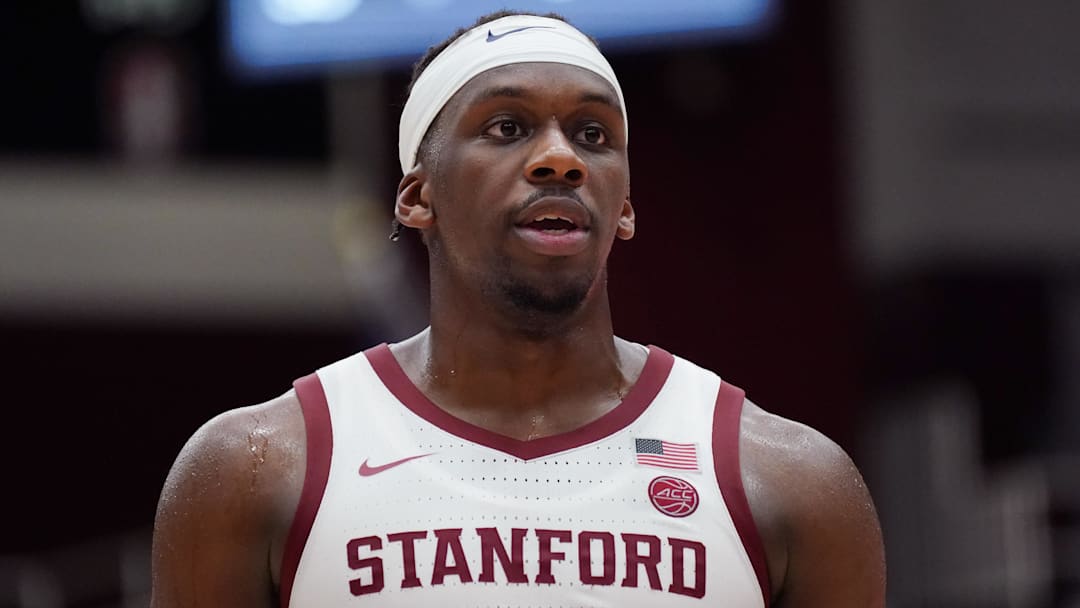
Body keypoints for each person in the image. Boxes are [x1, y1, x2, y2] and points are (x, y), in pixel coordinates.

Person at [150, 10, 885, 608]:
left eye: (593, 135)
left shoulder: (791, 481)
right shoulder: (256, 470)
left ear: (624, 207)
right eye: (507, 127)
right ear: (417, 197)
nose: (560, 159)